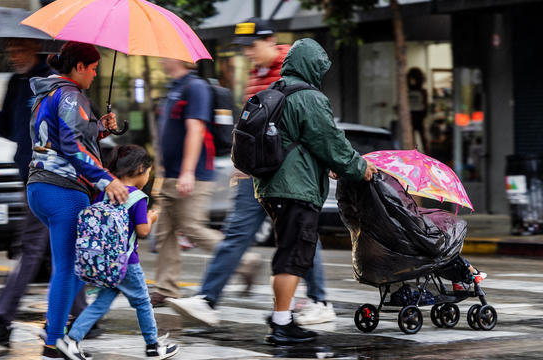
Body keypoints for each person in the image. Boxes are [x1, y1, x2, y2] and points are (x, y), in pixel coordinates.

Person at [166, 18, 334, 327]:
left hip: (288, 175)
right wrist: (242, 163)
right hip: (258, 172)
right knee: (238, 232)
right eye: (243, 49)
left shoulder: (293, 69)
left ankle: (320, 300)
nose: (248, 54)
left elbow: (309, 122)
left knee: (301, 235)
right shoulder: (256, 74)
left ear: (271, 41)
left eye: (252, 46)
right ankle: (207, 299)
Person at [0, 38, 98, 348]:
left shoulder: (55, 84)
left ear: (36, 50)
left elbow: (74, 134)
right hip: (33, 177)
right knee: (59, 249)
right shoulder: (17, 82)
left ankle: (3, 318)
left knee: (34, 248)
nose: (13, 56)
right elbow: (14, 129)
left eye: (19, 50)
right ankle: (82, 316)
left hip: (53, 179)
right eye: (10, 51)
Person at [255, 38, 377, 344]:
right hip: (296, 189)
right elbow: (329, 140)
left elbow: (301, 142)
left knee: (289, 252)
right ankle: (282, 323)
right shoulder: (308, 97)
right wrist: (358, 167)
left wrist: (325, 164)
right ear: (311, 66)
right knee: (293, 255)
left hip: (273, 186)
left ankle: (281, 315)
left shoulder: (274, 91)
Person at [26, 41, 129, 359]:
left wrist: (98, 128)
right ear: (80, 66)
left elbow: (62, 138)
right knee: (69, 267)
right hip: (64, 191)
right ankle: (54, 340)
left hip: (39, 188)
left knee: (73, 266)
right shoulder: (71, 95)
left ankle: (53, 327)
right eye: (94, 68)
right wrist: (107, 179)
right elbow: (71, 147)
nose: (97, 74)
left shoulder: (48, 93)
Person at [56, 145, 180, 360]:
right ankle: (153, 346)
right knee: (142, 301)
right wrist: (151, 218)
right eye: (149, 172)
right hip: (126, 262)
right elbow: (142, 231)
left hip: (104, 261)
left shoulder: (105, 192)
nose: (148, 177)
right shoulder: (138, 197)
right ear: (141, 168)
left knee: (101, 303)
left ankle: (71, 340)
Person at [149, 59, 224, 306]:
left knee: (193, 228)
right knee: (165, 233)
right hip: (169, 174)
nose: (162, 57)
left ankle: (242, 260)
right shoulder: (174, 88)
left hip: (193, 174)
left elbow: (196, 129)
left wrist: (188, 171)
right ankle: (166, 288)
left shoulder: (196, 87)